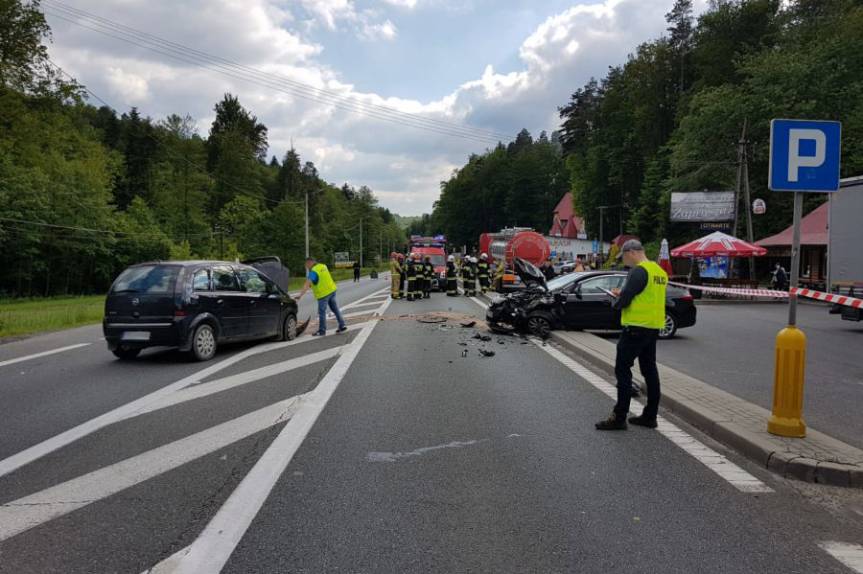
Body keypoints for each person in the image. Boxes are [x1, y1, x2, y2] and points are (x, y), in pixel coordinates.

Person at [595, 240, 667, 431]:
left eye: (624, 257)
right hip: (652, 327)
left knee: (623, 370)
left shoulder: (639, 270)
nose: (624, 261)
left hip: (635, 327)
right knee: (650, 370)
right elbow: (645, 295)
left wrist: (616, 301)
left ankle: (619, 417)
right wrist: (624, 293)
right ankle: (650, 416)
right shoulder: (659, 271)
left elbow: (626, 299)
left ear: (632, 252)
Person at [297, 257, 348, 337]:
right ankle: (342, 325)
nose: (306, 267)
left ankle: (322, 331)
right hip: (332, 291)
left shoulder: (313, 272)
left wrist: (300, 296)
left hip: (323, 295)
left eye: (306, 265)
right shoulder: (323, 266)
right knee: (335, 309)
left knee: (322, 313)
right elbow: (320, 279)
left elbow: (307, 284)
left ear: (309, 263)